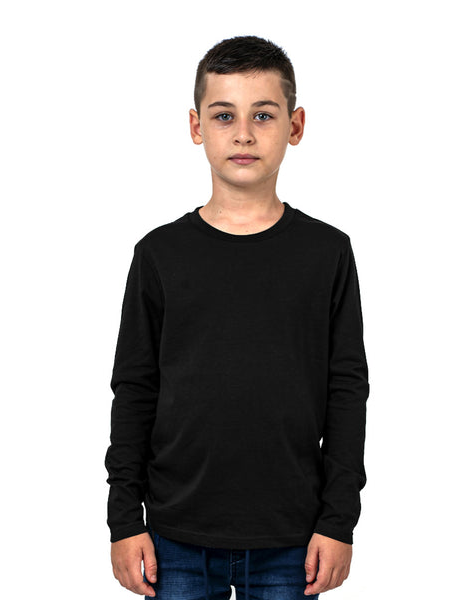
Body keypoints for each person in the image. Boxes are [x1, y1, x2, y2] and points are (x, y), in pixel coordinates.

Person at [105, 35, 370, 600]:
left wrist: (338, 520)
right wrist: (124, 520)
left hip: (293, 537)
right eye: (224, 115)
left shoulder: (327, 253)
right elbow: (134, 389)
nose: (244, 133)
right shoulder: (159, 254)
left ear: (295, 125)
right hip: (174, 535)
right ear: (196, 126)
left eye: (263, 115)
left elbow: (347, 390)